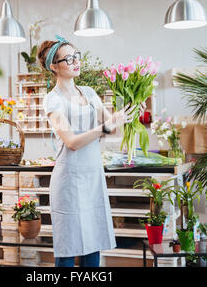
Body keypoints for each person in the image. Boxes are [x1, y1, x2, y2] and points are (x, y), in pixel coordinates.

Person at [39, 34, 146, 267]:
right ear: (54, 67)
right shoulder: (52, 100)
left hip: (92, 176)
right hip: (68, 179)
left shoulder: (88, 93)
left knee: (92, 244)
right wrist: (106, 126)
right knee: (68, 249)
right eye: (69, 59)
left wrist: (129, 114)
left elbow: (113, 131)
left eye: (77, 55)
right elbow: (71, 142)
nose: (76, 61)